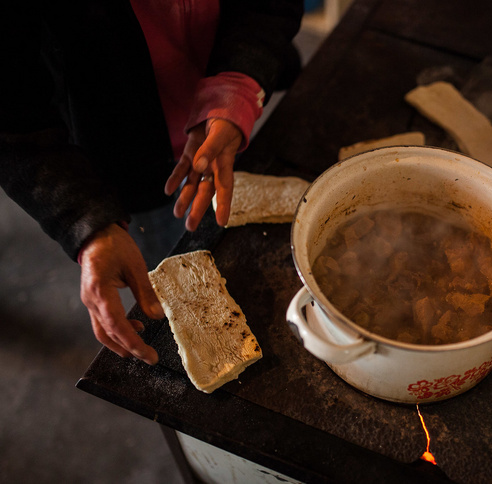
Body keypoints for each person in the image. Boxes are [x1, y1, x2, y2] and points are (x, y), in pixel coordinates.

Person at [0, 1, 304, 365]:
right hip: (124, 163)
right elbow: (12, 116)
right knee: (176, 276)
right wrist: (84, 221)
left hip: (234, 111)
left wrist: (239, 86)